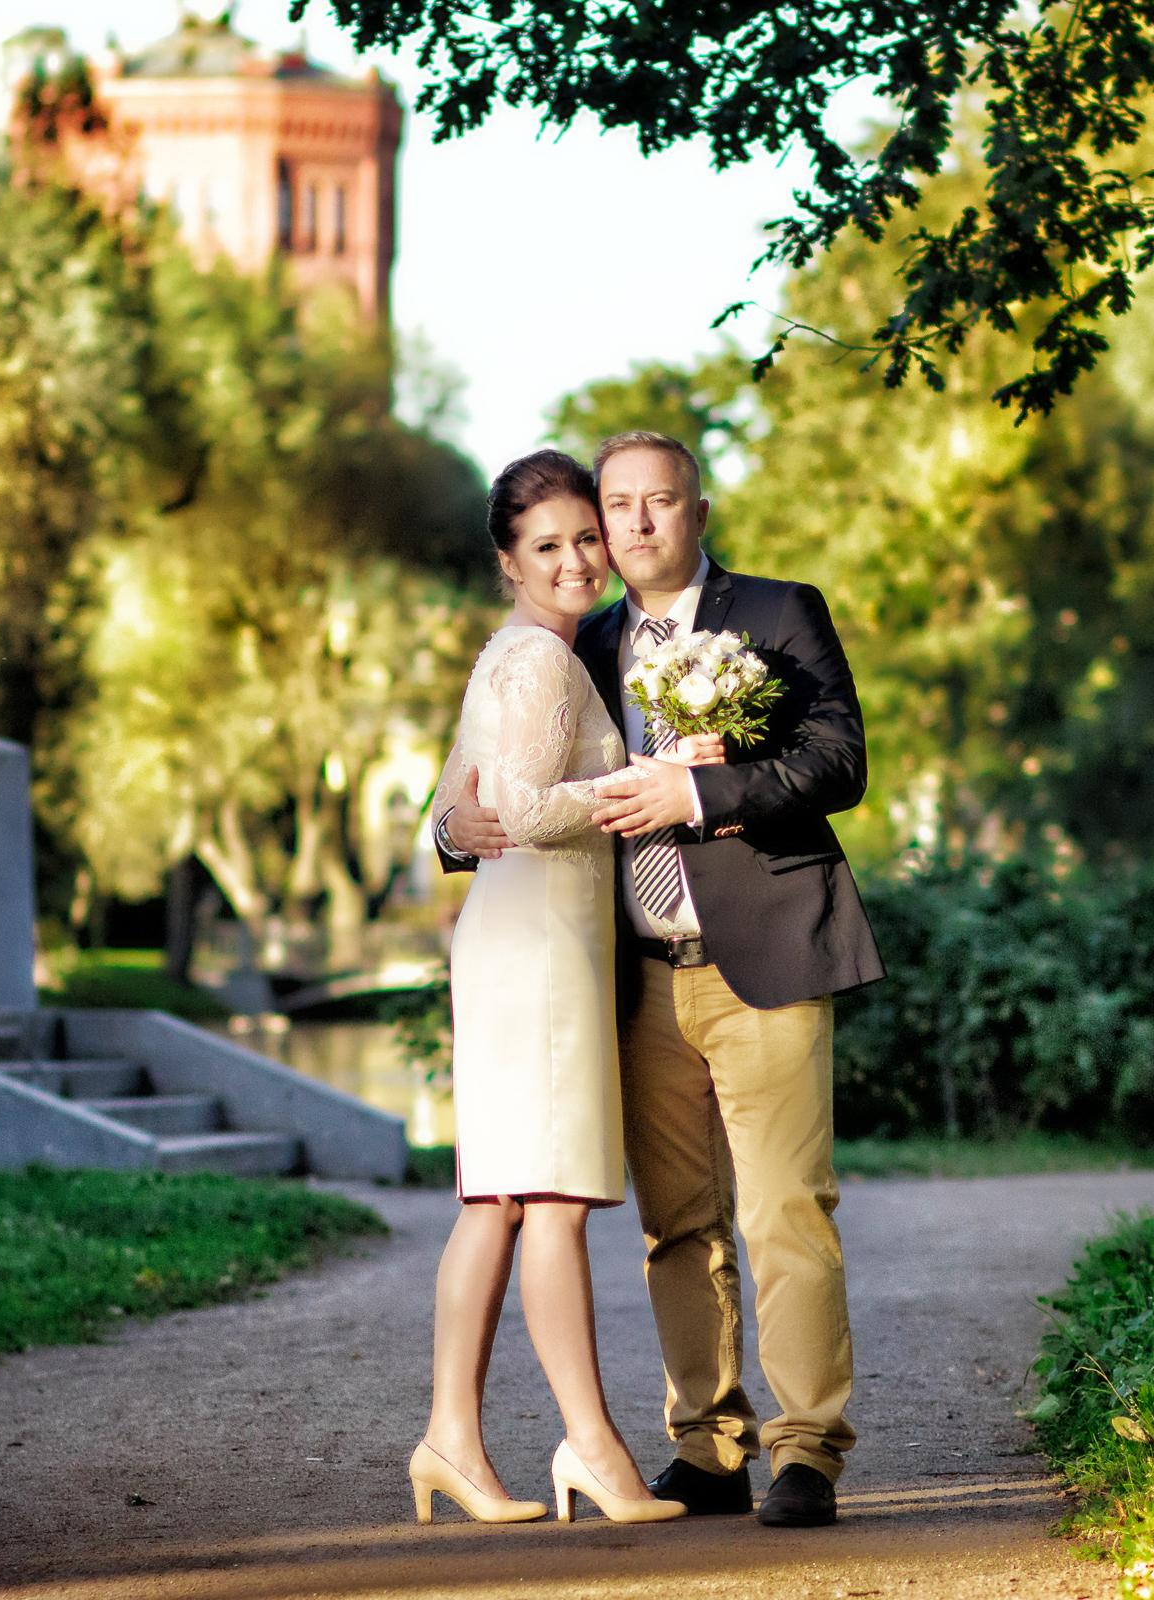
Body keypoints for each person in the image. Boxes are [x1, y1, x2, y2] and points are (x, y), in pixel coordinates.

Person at [435, 430, 885, 1530]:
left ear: (696, 509)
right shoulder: (576, 643)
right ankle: (709, 1443)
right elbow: (498, 775)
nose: (633, 526)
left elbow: (840, 760)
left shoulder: (778, 614)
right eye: (617, 506)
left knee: (786, 1210)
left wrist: (701, 795)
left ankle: (806, 1449)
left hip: (766, 952)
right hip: (631, 976)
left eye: (656, 503)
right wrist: (453, 828)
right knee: (677, 1224)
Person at [409, 450, 697, 1528]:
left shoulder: (512, 653)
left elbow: (459, 805)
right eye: (549, 546)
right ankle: (593, 1448)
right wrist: (643, 786)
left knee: (498, 1197)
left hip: (518, 937)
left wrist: (455, 825)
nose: (579, 559)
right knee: (557, 1200)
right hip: (535, 951)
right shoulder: (539, 661)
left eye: (589, 536)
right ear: (508, 562)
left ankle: (451, 1436)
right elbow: (521, 809)